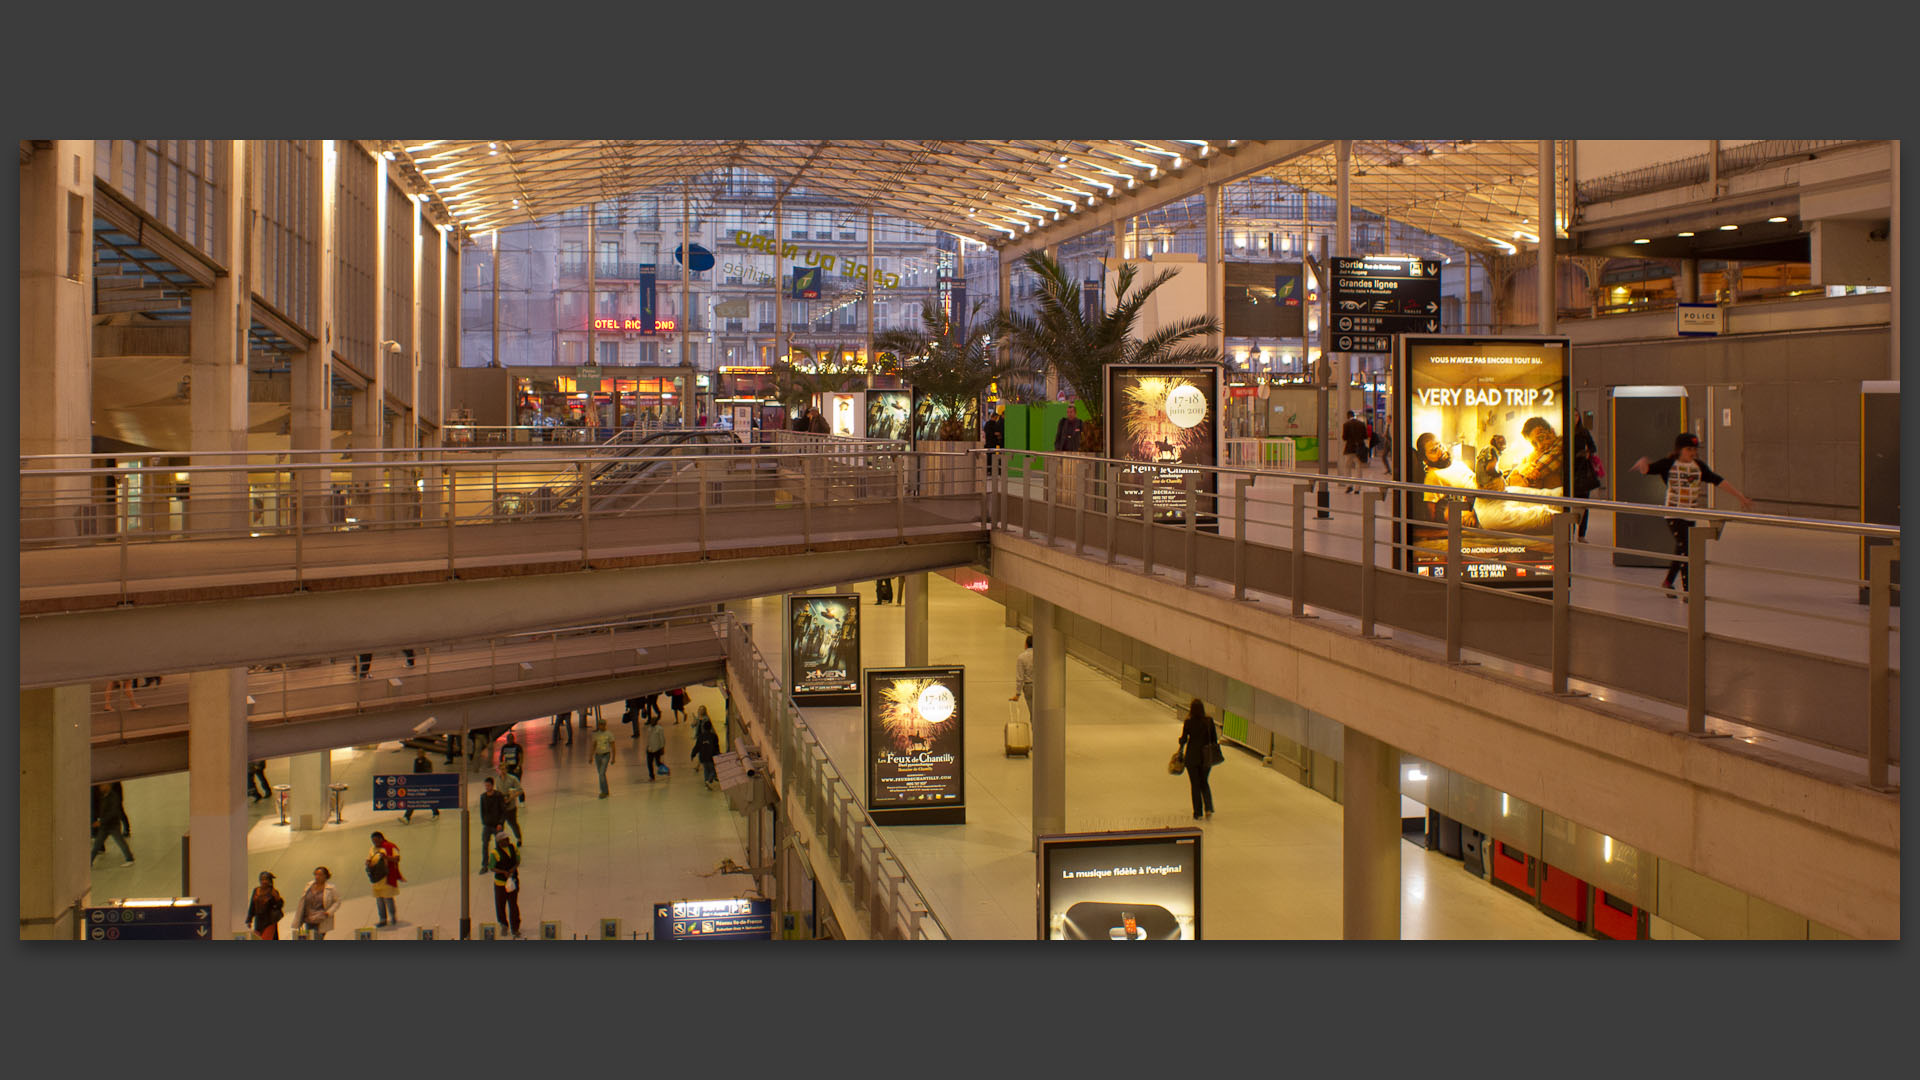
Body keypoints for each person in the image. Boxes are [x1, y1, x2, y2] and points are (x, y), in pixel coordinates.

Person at [1632, 432, 1755, 598]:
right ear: (1680, 450)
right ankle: (1688, 591)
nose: (1692, 453)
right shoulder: (1669, 464)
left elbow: (1717, 480)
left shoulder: (1699, 467)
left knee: (1682, 549)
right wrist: (1643, 463)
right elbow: (1648, 470)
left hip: (1690, 513)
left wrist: (1739, 496)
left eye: (1694, 450)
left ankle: (1668, 582)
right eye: (1689, 449)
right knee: (1686, 549)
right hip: (1673, 514)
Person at [1176, 699, 1219, 821]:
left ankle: (1197, 812)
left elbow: (1184, 739)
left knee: (1195, 784)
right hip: (1206, 757)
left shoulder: (1189, 722)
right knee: (1204, 782)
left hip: (1192, 758)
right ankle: (1209, 808)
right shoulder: (1209, 722)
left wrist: (1180, 743)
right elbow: (1214, 740)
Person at [1505, 416, 1565, 492]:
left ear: (1552, 431)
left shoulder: (1561, 444)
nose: (1540, 446)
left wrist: (1521, 471)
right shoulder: (1535, 453)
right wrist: (1521, 468)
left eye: (1541, 438)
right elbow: (1508, 482)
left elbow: (1525, 481)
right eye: (1534, 443)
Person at [489, 822, 523, 938]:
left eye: (508, 839)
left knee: (513, 905)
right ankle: (503, 924)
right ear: (499, 842)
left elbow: (518, 861)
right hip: (500, 884)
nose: (507, 841)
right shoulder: (494, 853)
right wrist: (503, 872)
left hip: (512, 882)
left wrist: (512, 870)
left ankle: (515, 927)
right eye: (505, 840)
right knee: (501, 904)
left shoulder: (513, 848)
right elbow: (492, 867)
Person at [1572, 416, 1602, 541]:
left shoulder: (1583, 432)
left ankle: (1581, 534)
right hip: (1570, 472)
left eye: (1576, 416)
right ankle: (1570, 532)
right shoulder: (1565, 430)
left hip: (1583, 471)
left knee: (1584, 504)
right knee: (1569, 506)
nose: (1574, 418)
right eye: (1573, 415)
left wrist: (1587, 453)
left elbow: (1593, 447)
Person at [90, 781, 133, 866]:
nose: (100, 788)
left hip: (113, 825)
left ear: (108, 786)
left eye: (102, 786)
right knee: (97, 844)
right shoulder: (103, 797)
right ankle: (89, 861)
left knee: (120, 842)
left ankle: (129, 859)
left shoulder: (113, 797)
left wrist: (100, 822)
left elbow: (113, 812)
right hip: (104, 826)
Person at [366, 831, 404, 928]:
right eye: (373, 841)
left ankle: (393, 917)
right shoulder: (372, 849)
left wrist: (386, 857)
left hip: (386, 877)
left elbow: (396, 859)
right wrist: (368, 862)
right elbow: (369, 858)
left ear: (381, 838)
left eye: (376, 841)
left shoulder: (389, 847)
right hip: (377, 878)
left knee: (388, 898)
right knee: (379, 900)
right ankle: (382, 919)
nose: (375, 843)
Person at [296, 866, 341, 940]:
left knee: (317, 938)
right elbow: (303, 900)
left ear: (325, 876)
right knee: (310, 938)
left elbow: (337, 901)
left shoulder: (331, 888)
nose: (317, 877)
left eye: (320, 875)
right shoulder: (309, 886)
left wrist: (329, 912)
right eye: (316, 874)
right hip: (309, 919)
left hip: (321, 919)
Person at [478, 778, 508, 871]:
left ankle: (499, 862)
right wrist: (484, 821)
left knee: (499, 844)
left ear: (492, 785)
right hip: (487, 825)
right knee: (485, 844)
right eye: (485, 785)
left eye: (488, 785)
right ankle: (485, 865)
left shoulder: (498, 796)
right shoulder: (483, 797)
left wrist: (500, 823)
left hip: (497, 825)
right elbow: (482, 811)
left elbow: (503, 811)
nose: (487, 787)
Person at [401, 749, 439, 822]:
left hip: (426, 784)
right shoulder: (416, 761)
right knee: (414, 801)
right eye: (417, 753)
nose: (418, 755)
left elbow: (428, 773)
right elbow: (415, 772)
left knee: (428, 800)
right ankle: (407, 817)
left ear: (423, 754)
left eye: (420, 753)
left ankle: (436, 813)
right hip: (418, 784)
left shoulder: (428, 762)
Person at [245, 871, 284, 939]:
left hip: (269, 922)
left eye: (266, 879)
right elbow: (252, 906)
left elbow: (278, 906)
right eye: (262, 879)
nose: (264, 881)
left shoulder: (273, 892)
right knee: (258, 938)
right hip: (258, 922)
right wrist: (249, 919)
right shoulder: (256, 891)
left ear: (269, 881)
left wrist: (277, 899)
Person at [1339, 410, 1369, 493]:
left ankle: (1349, 485)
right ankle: (1357, 488)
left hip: (1350, 449)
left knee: (1347, 466)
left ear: (1347, 416)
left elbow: (1344, 437)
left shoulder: (1346, 425)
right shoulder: (1361, 424)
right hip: (1360, 448)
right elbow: (1365, 436)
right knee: (1358, 468)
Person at [692, 711, 721, 789]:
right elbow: (716, 746)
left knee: (706, 769)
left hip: (703, 756)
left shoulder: (701, 737)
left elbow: (697, 746)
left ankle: (706, 782)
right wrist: (718, 754)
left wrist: (693, 754)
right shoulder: (713, 736)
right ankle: (709, 780)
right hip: (711, 756)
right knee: (713, 770)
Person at [591, 717, 617, 799]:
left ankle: (603, 791)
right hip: (598, 755)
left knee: (601, 773)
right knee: (601, 774)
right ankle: (606, 790)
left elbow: (613, 746)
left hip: (606, 755)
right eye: (599, 725)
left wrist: (613, 758)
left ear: (605, 725)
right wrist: (590, 756)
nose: (601, 726)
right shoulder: (596, 734)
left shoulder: (609, 734)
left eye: (602, 725)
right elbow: (594, 745)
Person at [498, 768, 525, 843]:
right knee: (500, 825)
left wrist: (511, 797)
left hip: (511, 807)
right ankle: (501, 841)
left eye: (504, 769)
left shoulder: (512, 779)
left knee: (513, 824)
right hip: (502, 807)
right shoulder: (498, 780)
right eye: (501, 769)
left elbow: (520, 790)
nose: (502, 771)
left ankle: (518, 838)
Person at [1008, 634, 1034, 707]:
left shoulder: (1022, 657)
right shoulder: (1041, 656)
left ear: (1026, 644)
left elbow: (1020, 677)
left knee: (1033, 711)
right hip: (1041, 686)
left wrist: (1017, 694)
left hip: (1028, 686)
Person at [644, 713, 667, 781]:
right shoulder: (649, 728)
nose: (652, 722)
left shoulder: (659, 729)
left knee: (658, 763)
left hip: (657, 749)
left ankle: (666, 770)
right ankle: (651, 776)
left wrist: (662, 748)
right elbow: (648, 739)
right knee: (649, 763)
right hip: (650, 749)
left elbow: (662, 739)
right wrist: (647, 747)